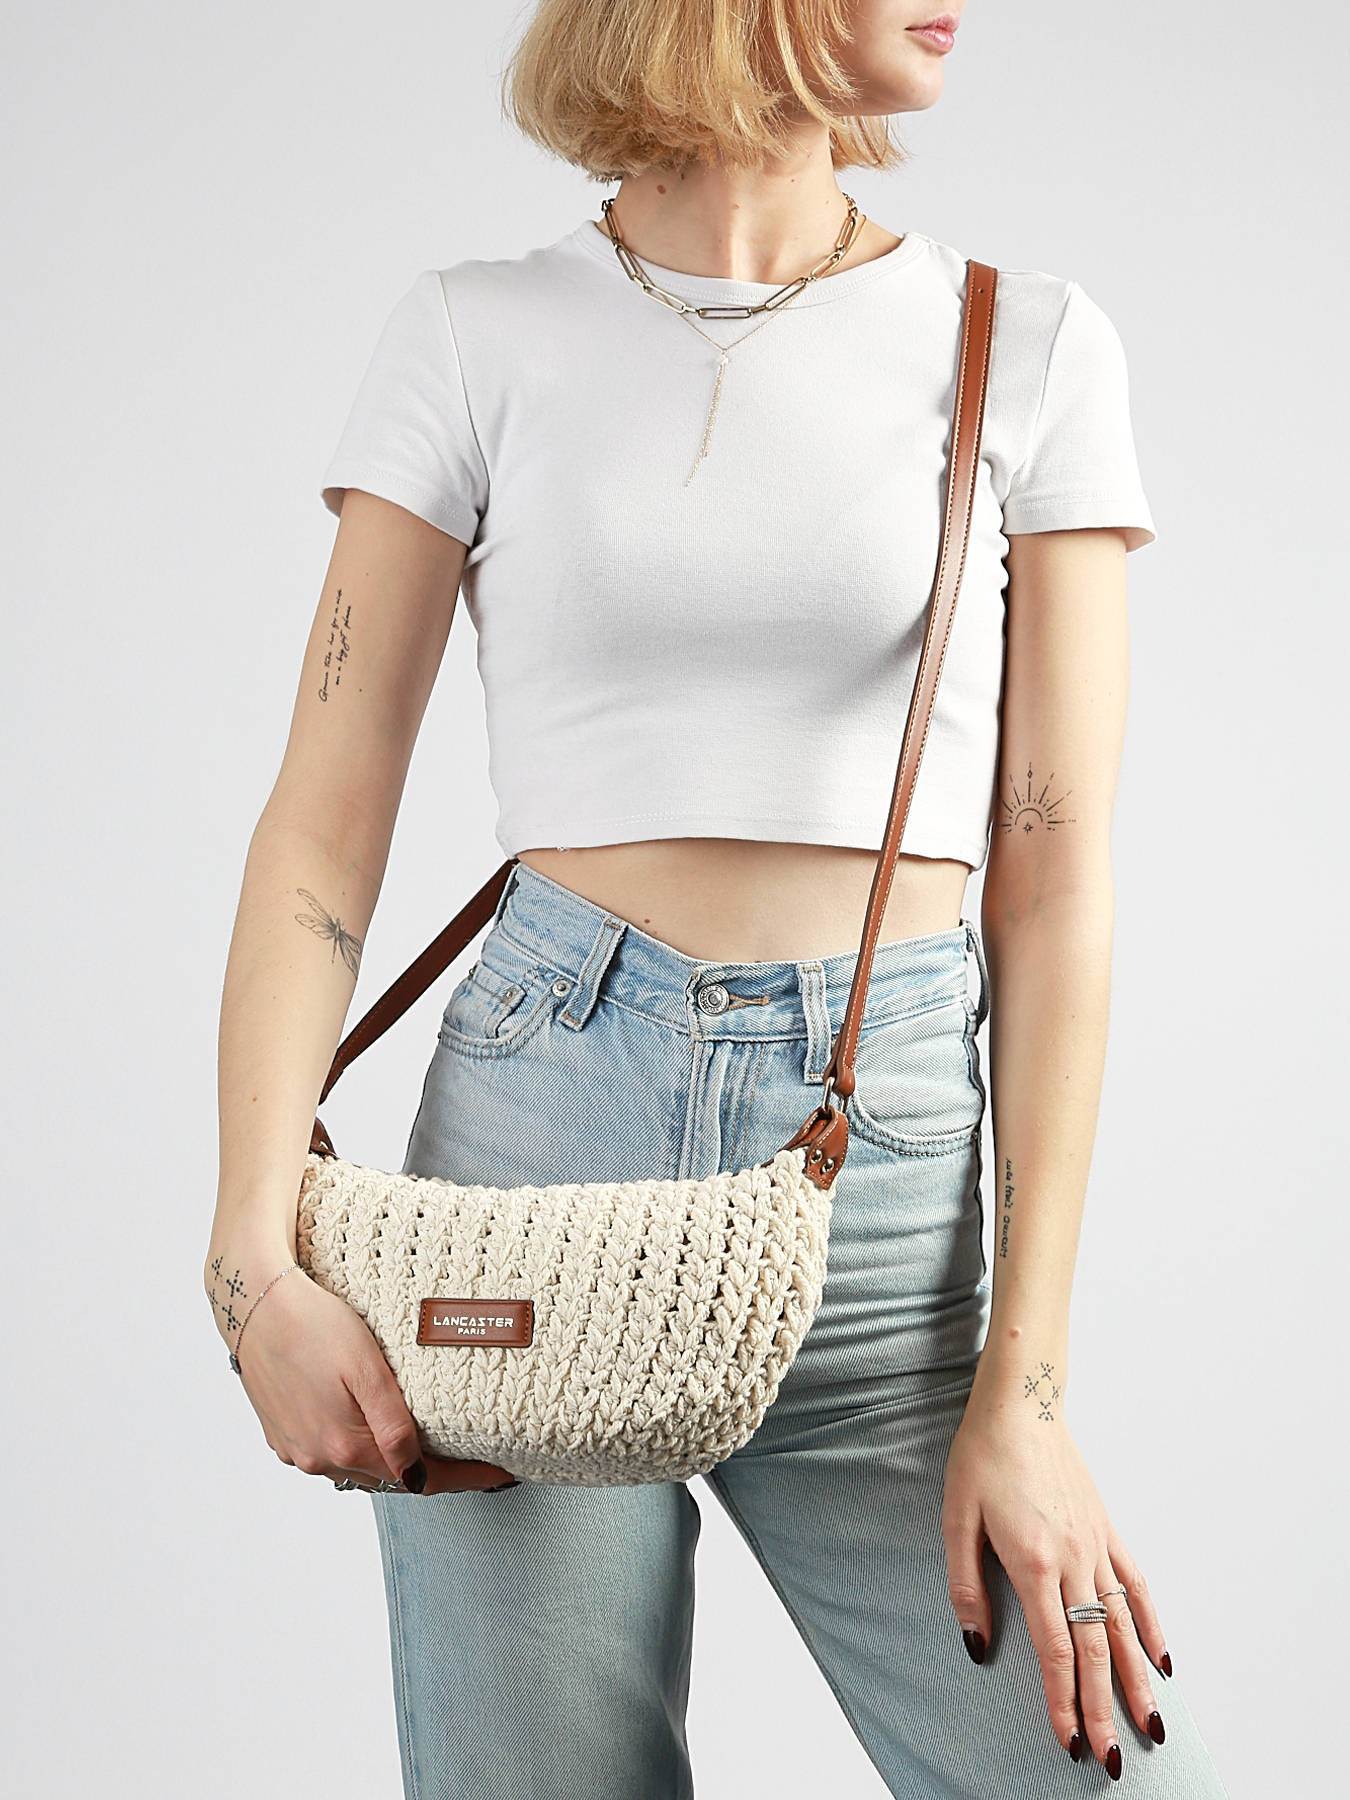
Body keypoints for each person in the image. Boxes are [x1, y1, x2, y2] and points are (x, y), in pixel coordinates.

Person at [203, 2, 1232, 1794]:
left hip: (881, 1203)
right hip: (530, 1169)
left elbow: (1054, 881)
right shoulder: (474, 332)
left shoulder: (1028, 345)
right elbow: (320, 828)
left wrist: (1027, 1394)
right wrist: (250, 1265)